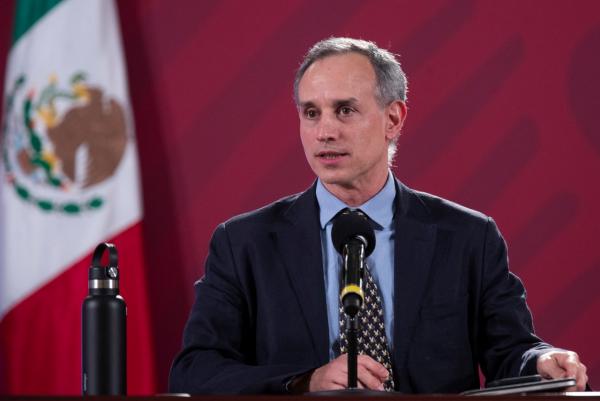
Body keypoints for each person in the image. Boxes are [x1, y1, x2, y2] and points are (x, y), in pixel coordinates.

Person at [169, 37, 588, 394]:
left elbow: (510, 350)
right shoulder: (245, 243)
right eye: (311, 113)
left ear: (393, 119)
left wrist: (542, 361)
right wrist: (306, 382)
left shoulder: (467, 237)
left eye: (344, 110)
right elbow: (196, 370)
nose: (324, 132)